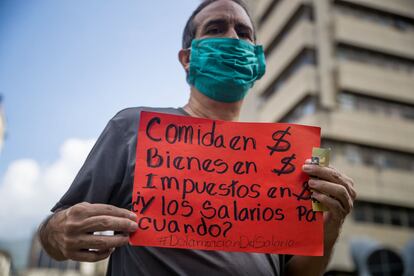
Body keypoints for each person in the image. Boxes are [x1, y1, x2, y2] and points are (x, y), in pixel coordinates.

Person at [39, 0, 357, 275]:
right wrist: (57, 232)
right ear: (188, 58)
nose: (232, 38)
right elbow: (54, 233)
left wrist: (328, 230)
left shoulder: (285, 161)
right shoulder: (132, 128)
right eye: (216, 29)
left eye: (243, 33)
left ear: (258, 61)